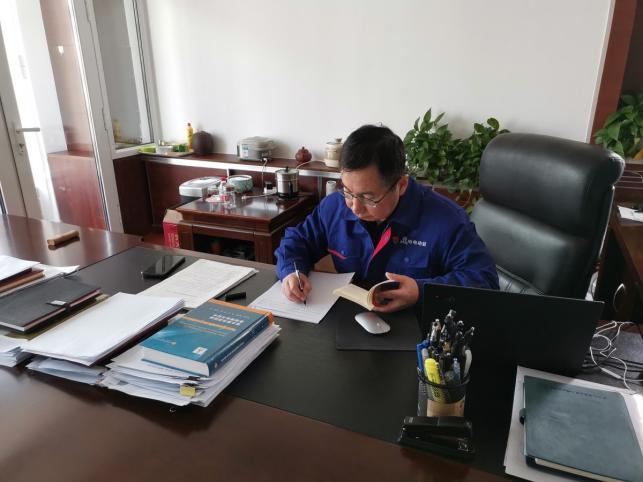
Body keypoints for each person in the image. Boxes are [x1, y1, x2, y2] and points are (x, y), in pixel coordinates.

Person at [275, 124, 499, 313]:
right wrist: (292, 272)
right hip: (351, 321)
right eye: (348, 192)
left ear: (401, 185)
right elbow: (297, 240)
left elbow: (484, 282)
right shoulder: (335, 207)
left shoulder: (447, 220)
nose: (354, 207)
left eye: (368, 197)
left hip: (416, 327)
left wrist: (421, 291)